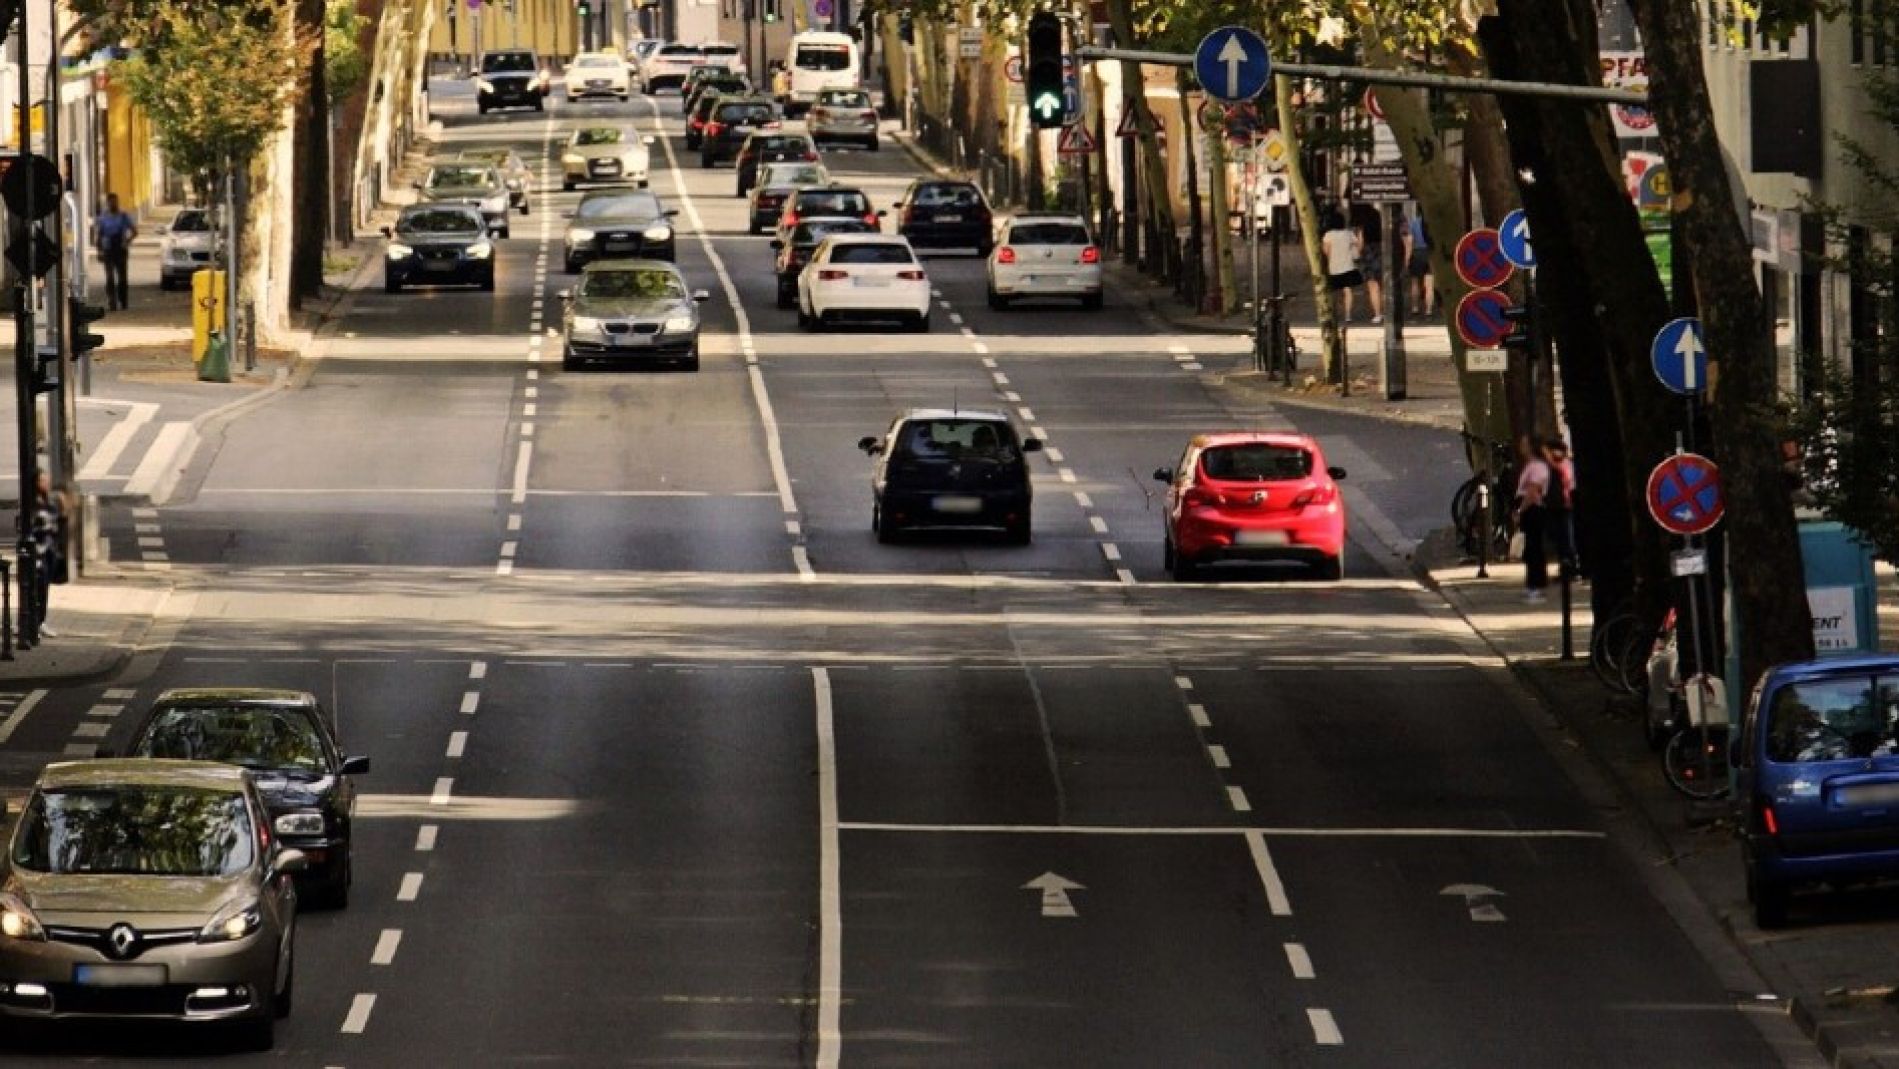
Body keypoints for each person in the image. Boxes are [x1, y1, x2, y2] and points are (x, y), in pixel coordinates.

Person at [1513, 441, 1553, 603]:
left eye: (1525, 443)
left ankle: (1535, 587)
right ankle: (1533, 585)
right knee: (1531, 548)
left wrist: (1520, 510)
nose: (1522, 446)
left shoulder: (1537, 467)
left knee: (1533, 548)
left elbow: (1532, 491)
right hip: (1531, 510)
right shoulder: (1532, 465)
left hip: (1533, 510)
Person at [28, 470, 66, 638]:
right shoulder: (33, 504)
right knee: (37, 587)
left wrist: (63, 509)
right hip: (37, 551)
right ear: (36, 483)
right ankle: (32, 622)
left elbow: (58, 523)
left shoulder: (47, 501)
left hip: (49, 551)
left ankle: (40, 621)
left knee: (44, 587)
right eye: (43, 480)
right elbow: (34, 527)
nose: (47, 483)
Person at [94, 193, 137, 311]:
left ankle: (123, 301)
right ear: (107, 203)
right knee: (109, 277)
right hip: (108, 249)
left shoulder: (123, 216)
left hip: (121, 248)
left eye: (115, 201)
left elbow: (134, 231)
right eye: (110, 202)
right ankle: (111, 301)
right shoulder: (103, 218)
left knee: (122, 277)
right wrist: (99, 251)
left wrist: (127, 241)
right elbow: (99, 235)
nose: (113, 204)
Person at [1543, 438, 1578, 579]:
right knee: (1559, 536)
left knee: (1566, 537)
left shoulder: (1564, 464)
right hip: (1555, 504)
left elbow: (1564, 476)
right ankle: (1566, 565)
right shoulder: (1554, 465)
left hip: (1564, 504)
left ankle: (1570, 566)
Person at [1320, 212, 1363, 325]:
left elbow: (1326, 251)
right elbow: (1358, 245)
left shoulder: (1328, 235)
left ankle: (1334, 312)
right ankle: (1348, 314)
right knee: (1348, 291)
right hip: (1348, 266)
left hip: (1333, 267)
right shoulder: (1348, 234)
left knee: (1334, 292)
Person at [1349, 200, 1384, 323]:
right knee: (1382, 283)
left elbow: (1361, 240)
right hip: (1380, 249)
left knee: (1372, 285)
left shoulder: (1361, 220)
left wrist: (1356, 254)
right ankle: (1385, 311)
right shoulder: (1377, 214)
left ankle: (1378, 313)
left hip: (1368, 252)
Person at [1404, 211, 1434, 317]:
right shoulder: (1433, 223)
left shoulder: (1413, 223)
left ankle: (1415, 308)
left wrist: (1407, 259)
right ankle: (1429, 310)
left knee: (1415, 282)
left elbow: (1410, 241)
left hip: (1417, 254)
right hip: (1430, 254)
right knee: (1429, 284)